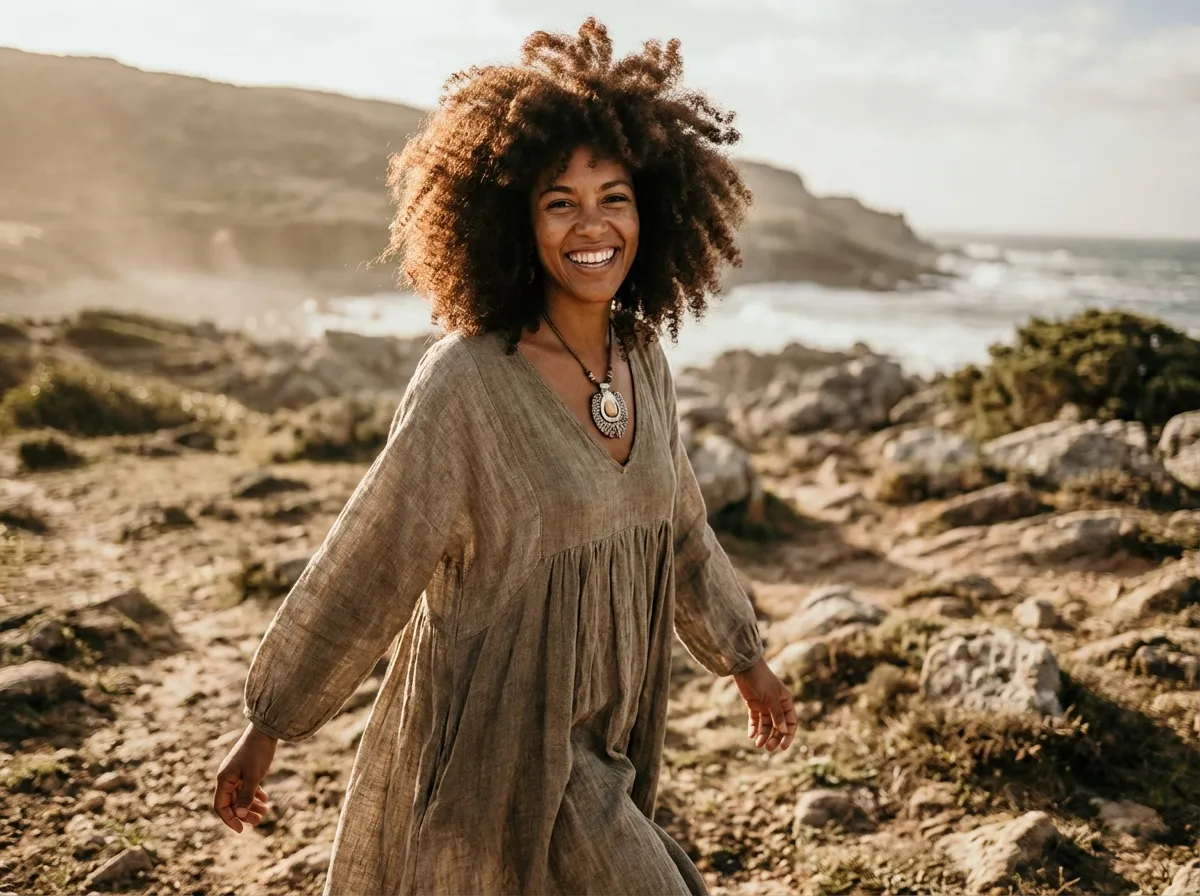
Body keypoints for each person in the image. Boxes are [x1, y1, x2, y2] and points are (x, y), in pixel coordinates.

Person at [212, 17, 797, 896]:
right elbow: (375, 553)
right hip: (496, 739)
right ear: (513, 221)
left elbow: (679, 530)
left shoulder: (643, 358)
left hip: (609, 740)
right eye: (560, 202)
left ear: (655, 210)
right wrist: (270, 723)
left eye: (616, 198)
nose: (592, 225)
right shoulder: (467, 381)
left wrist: (747, 662)